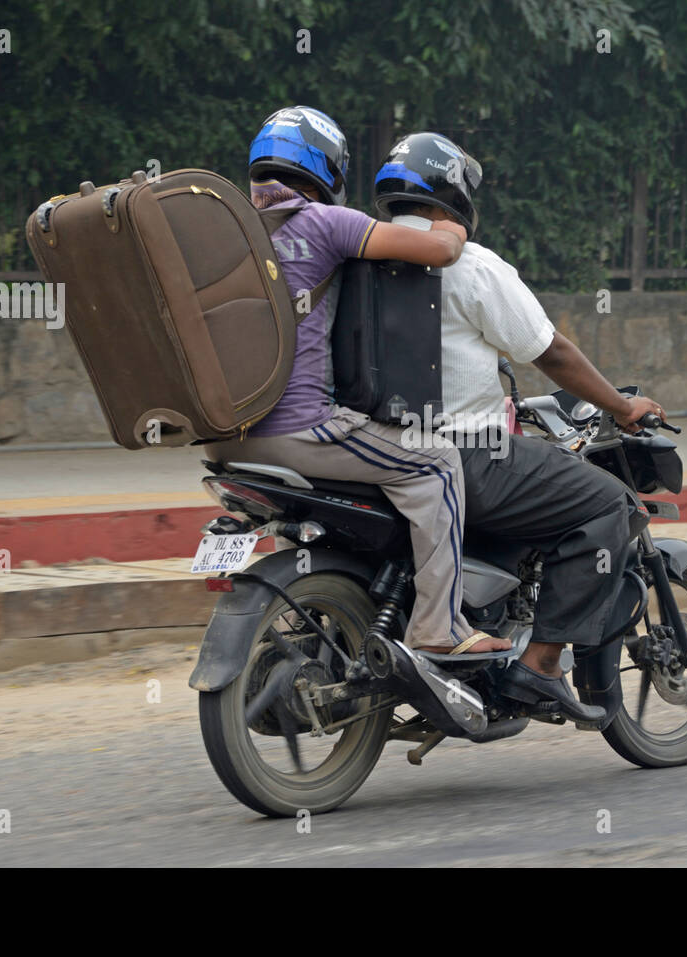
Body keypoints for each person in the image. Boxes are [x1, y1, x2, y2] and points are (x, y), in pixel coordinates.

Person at [373, 132, 666, 724]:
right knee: (608, 504)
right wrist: (620, 405)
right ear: (453, 193)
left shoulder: (358, 258)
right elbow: (551, 353)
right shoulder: (474, 268)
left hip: (374, 453)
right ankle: (540, 664)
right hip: (469, 456)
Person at [207, 107, 509, 656]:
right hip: (300, 430)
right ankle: (438, 630)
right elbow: (440, 251)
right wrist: (451, 221)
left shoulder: (230, 233)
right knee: (436, 462)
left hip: (223, 436)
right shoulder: (327, 224)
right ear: (325, 168)